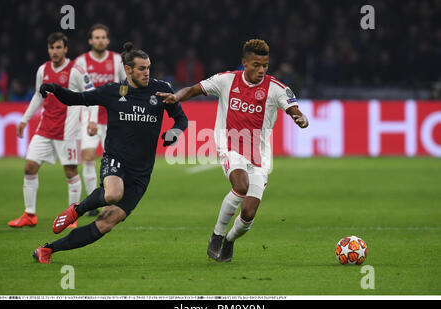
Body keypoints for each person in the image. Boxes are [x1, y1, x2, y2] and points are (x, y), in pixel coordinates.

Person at [32, 42, 188, 264]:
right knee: (113, 193)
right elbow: (77, 99)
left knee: (106, 223)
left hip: (141, 173)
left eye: (148, 67)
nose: (147, 72)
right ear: (128, 70)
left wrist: (174, 132)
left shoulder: (161, 90)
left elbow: (181, 119)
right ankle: (77, 209)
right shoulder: (113, 92)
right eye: (142, 68)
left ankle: (47, 250)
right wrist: (56, 89)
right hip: (116, 159)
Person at [157, 39, 308, 262]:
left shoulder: (276, 88)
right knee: (241, 185)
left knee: (248, 214)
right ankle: (217, 235)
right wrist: (177, 96)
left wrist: (299, 117)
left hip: (260, 156)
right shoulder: (226, 80)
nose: (261, 70)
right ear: (244, 63)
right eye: (256, 64)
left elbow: (293, 109)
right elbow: (195, 89)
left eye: (265, 65)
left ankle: (229, 241)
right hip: (230, 146)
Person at [8, 32, 96, 229]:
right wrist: (24, 119)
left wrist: (92, 120)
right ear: (48, 50)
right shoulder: (43, 70)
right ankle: (29, 214)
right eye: (51, 48)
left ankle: (71, 216)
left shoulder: (76, 71)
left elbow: (92, 95)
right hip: (45, 129)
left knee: (70, 171)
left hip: (68, 131)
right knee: (29, 167)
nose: (54, 51)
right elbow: (39, 96)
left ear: (65, 49)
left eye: (58, 47)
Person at [74, 24, 126, 216]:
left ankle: (109, 198)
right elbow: (78, 90)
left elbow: (124, 84)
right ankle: (92, 203)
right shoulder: (80, 62)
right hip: (89, 117)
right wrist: (88, 117)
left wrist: (120, 100)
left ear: (108, 40)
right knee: (88, 156)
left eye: (103, 37)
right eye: (97, 37)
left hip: (112, 118)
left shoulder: (116, 60)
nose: (100, 40)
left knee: (113, 159)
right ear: (90, 40)